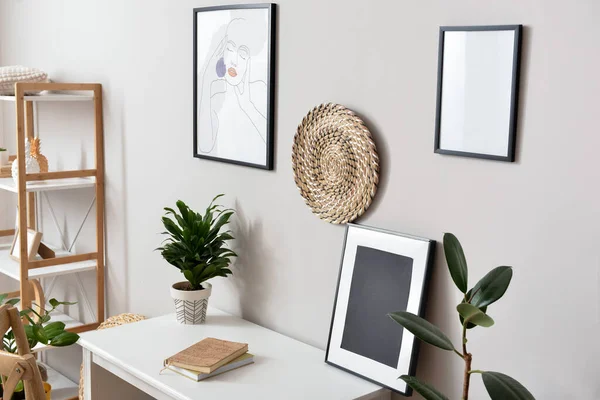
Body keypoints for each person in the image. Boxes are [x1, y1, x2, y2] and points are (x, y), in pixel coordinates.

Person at [197, 17, 267, 165]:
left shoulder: (260, 89)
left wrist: (247, 106)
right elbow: (204, 146)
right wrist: (205, 82)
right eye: (230, 49)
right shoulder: (216, 99)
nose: (234, 60)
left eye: (242, 55)